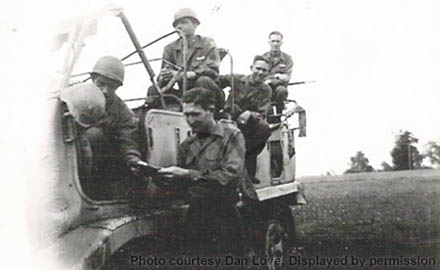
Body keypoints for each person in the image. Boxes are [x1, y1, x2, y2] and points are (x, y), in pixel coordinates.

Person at [158, 87, 248, 256]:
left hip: (224, 215)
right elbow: (182, 183)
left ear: (211, 110)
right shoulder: (187, 144)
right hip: (195, 216)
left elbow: (230, 175)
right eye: (186, 115)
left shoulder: (232, 135)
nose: (190, 120)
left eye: (195, 114)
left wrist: (187, 174)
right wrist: (163, 176)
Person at [68, 56, 146, 198]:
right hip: (70, 155)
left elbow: (127, 140)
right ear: (93, 79)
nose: (105, 90)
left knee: (94, 135)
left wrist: (133, 160)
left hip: (100, 163)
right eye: (101, 84)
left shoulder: (122, 112)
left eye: (111, 86)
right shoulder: (75, 95)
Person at [146, 8, 224, 112]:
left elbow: (213, 71)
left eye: (184, 23)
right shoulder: (170, 48)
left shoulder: (207, 43)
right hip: (185, 94)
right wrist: (164, 77)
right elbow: (165, 76)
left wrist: (184, 75)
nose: (179, 26)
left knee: (203, 81)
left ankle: (203, 115)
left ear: (195, 25)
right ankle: (152, 120)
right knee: (153, 89)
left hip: (209, 94)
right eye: (176, 25)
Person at [219, 55, 272, 185]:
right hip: (228, 115)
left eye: (264, 70)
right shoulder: (236, 79)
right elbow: (216, 81)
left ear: (268, 73)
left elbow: (262, 113)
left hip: (248, 123)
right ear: (251, 68)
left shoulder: (266, 90)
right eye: (258, 68)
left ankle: (248, 171)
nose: (260, 73)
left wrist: (249, 114)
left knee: (264, 129)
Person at [263, 31, 294, 113]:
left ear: (281, 43)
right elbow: (261, 76)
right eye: (273, 41)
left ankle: (279, 114)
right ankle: (269, 117)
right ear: (269, 42)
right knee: (265, 91)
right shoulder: (263, 57)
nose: (275, 44)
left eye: (277, 41)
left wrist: (271, 79)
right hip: (265, 89)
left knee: (282, 90)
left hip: (279, 89)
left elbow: (286, 78)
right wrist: (277, 76)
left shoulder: (287, 59)